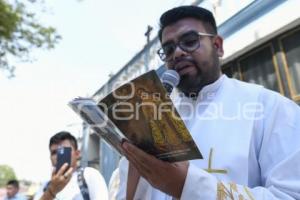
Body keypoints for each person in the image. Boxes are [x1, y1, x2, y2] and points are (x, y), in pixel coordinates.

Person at [117, 5, 300, 200]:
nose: (177, 53)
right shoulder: (154, 117)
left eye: (189, 41)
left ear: (218, 46)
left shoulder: (270, 108)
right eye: (168, 49)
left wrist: (185, 185)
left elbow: (289, 195)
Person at [33, 131, 108, 200]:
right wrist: (51, 191)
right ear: (50, 157)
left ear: (77, 154)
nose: (58, 156)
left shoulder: (89, 175)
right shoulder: (45, 187)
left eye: (64, 150)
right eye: (54, 152)